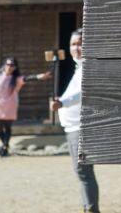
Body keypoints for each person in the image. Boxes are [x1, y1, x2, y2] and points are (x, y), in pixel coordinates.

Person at [51, 29, 100, 213]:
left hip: (80, 128)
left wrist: (62, 102)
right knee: (83, 173)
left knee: (84, 172)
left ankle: (91, 209)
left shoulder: (89, 67)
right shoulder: (79, 68)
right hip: (73, 127)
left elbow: (84, 93)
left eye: (80, 43)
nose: (76, 48)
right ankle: (88, 208)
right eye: (73, 44)